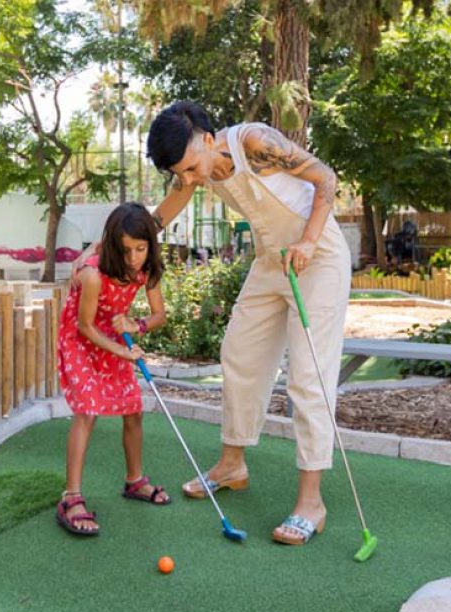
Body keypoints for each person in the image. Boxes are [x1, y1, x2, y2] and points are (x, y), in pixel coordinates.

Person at [145, 101, 351, 545]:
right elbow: (166, 209)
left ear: (207, 138)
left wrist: (311, 240)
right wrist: (121, 241)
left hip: (317, 258)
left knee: (309, 377)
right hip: (270, 261)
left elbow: (325, 178)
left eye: (191, 168)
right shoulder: (194, 170)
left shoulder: (254, 142)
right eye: (180, 173)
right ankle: (232, 465)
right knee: (238, 355)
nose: (190, 180)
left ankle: (311, 504)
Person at [55, 202, 169, 536]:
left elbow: (159, 315)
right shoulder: (92, 274)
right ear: (111, 245)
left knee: (133, 408)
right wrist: (123, 350)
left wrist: (137, 325)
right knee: (87, 408)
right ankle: (71, 498)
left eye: (140, 248)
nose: (133, 258)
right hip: (81, 338)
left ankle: (134, 481)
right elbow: (86, 326)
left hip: (116, 337)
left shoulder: (146, 271)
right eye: (125, 250)